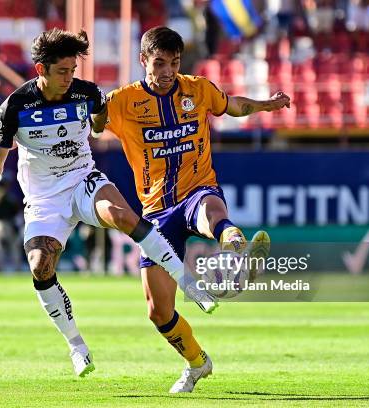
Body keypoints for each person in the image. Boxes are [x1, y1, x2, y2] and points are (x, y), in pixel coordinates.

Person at [0, 28, 216, 378]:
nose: (69, 78)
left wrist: (98, 120)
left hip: (82, 181)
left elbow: (99, 123)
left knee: (122, 216)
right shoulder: (15, 106)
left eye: (73, 70)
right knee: (40, 266)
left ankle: (188, 282)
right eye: (62, 71)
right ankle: (77, 345)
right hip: (44, 199)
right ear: (40, 70)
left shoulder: (87, 93)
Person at [104, 26, 291, 393]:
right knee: (158, 312)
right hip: (156, 211)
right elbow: (90, 124)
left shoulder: (198, 88)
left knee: (213, 214)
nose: (168, 71)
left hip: (196, 189)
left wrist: (265, 105)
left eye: (174, 62)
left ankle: (240, 253)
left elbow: (232, 106)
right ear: (144, 60)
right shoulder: (122, 101)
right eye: (159, 63)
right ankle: (196, 363)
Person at [0, 172, 22, 273]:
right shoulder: (1, 196)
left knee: (3, 246)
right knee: (7, 246)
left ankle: (7, 268)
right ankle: (13, 268)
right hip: (1, 223)